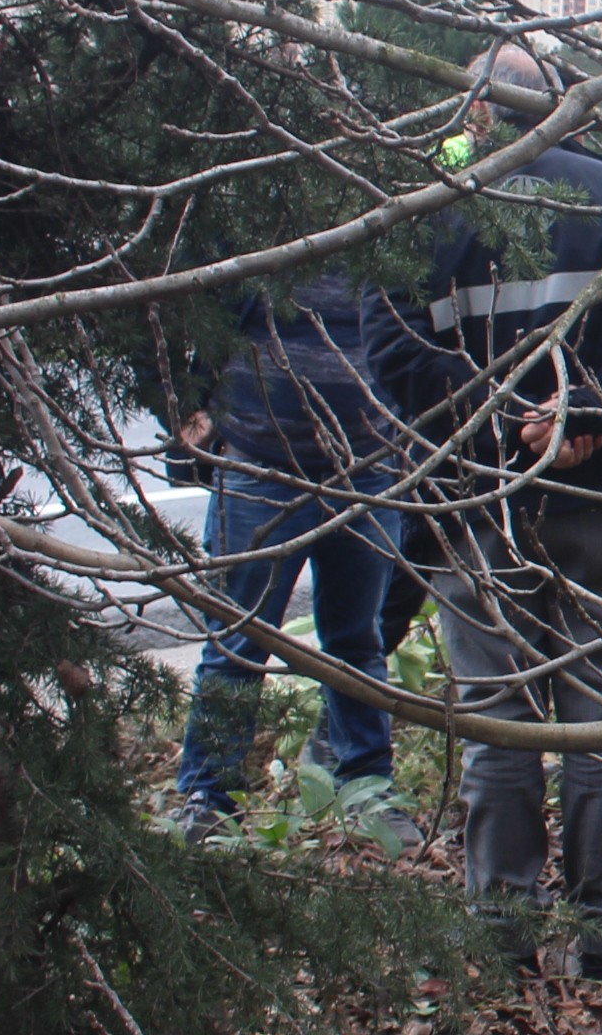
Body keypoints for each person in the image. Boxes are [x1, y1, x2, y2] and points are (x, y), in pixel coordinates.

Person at [365, 45, 602, 978]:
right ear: (565, 103)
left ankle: (501, 933)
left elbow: (388, 345)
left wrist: (505, 425)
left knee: (499, 711)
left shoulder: (427, 209)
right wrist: (589, 408)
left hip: (475, 496)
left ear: (476, 111)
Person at [163, 270, 420, 852]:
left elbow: (413, 335)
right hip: (258, 471)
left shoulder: (394, 234)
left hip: (366, 475)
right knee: (235, 643)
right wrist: (187, 409)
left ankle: (369, 791)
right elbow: (203, 323)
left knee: (359, 644)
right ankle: (208, 798)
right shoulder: (267, 221)